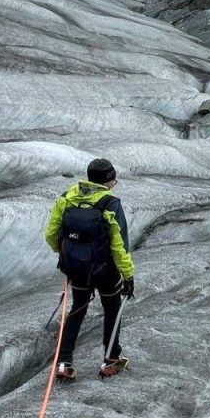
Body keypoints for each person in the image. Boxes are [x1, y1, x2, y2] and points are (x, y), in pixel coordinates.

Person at [44, 157, 135, 381]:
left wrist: (68, 256)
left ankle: (64, 363)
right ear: (108, 181)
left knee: (78, 309)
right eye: (113, 179)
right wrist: (128, 275)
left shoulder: (67, 197)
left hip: (77, 268)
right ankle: (111, 359)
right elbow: (119, 245)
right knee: (112, 308)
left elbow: (51, 233)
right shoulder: (110, 204)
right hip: (105, 270)